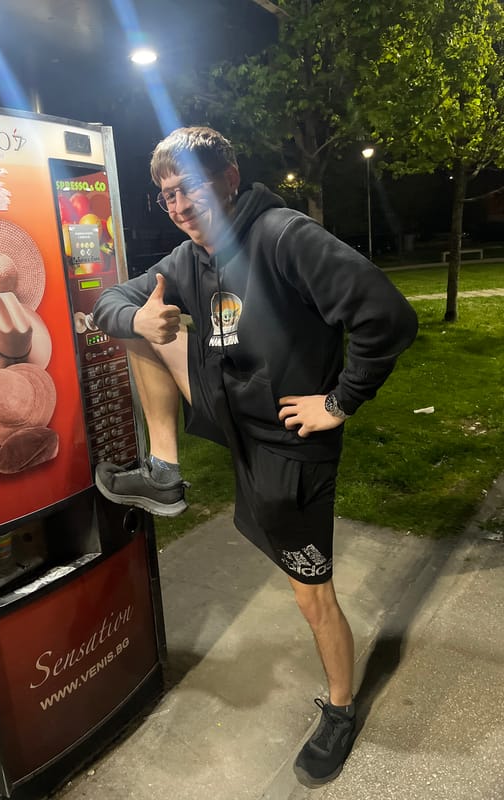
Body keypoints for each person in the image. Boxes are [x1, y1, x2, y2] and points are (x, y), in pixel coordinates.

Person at [92, 126, 418, 788]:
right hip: (228, 415)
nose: (179, 204)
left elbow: (389, 315)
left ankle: (341, 708)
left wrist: (340, 402)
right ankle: (164, 472)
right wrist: (140, 321)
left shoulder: (282, 236)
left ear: (230, 179)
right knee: (136, 326)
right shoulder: (194, 258)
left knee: (310, 594)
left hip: (288, 447)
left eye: (189, 187)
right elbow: (109, 301)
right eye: (166, 195)